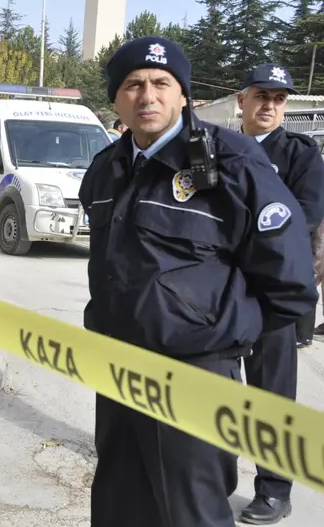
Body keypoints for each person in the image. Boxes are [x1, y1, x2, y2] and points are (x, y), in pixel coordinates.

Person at [78, 36, 318, 527]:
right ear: (116, 99)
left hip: (194, 376)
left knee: (192, 515)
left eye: (162, 84)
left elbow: (289, 282)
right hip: (119, 370)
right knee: (117, 509)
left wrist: (219, 336)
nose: (148, 96)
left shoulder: (233, 163)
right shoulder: (107, 169)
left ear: (184, 94)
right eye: (133, 85)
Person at [235, 63, 324, 524]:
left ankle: (274, 490)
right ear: (241, 101)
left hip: (271, 292)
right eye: (262, 96)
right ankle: (214, 476)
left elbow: (302, 217)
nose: (270, 105)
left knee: (271, 395)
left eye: (279, 99)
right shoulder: (215, 148)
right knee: (218, 389)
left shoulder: (301, 155)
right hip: (222, 294)